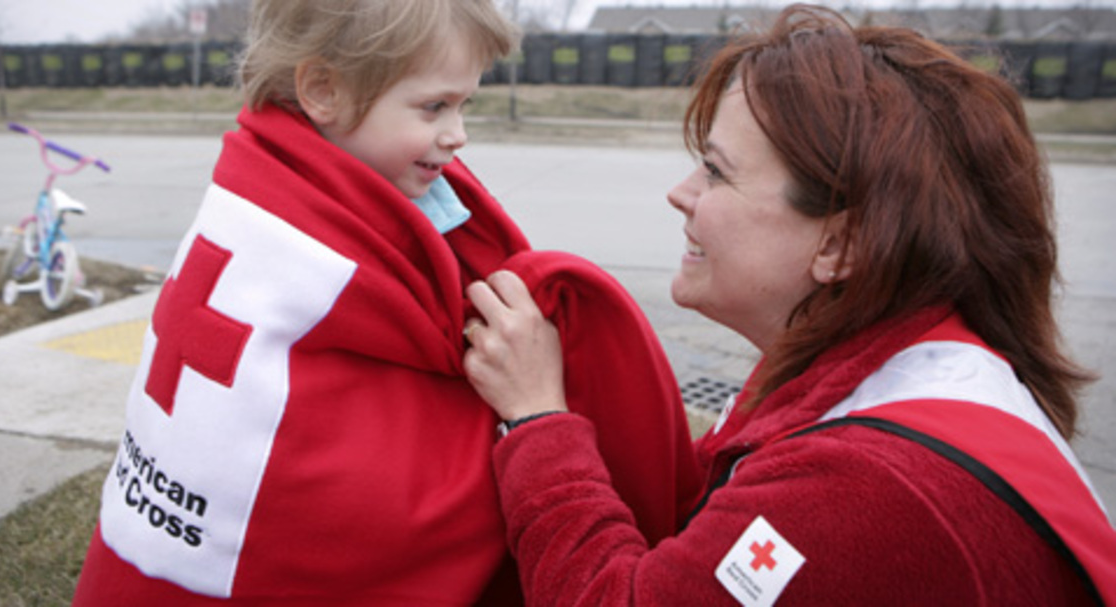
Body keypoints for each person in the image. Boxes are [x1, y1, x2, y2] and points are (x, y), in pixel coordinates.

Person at [462, 4, 1116, 605]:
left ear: (840, 243)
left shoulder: (866, 483)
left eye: (717, 172)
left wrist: (535, 418)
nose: (681, 193)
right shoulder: (894, 360)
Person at [73, 0, 700, 604]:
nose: (457, 135)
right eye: (434, 107)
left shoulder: (279, 183)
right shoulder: (311, 245)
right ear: (323, 91)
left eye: (465, 104)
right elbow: (371, 494)